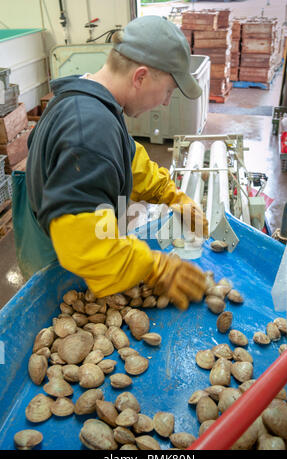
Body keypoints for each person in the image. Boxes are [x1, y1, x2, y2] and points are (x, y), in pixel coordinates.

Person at [12, 15, 209, 311]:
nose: (167, 102)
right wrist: (154, 266)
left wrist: (170, 194)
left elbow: (126, 158)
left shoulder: (87, 97)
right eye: (168, 90)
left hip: (56, 237)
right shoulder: (89, 128)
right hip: (62, 261)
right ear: (140, 77)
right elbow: (84, 242)